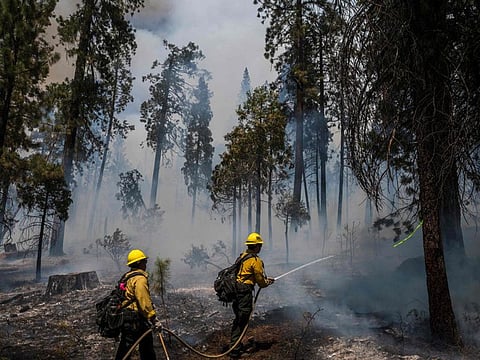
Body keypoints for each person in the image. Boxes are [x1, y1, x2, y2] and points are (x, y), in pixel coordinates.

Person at [229, 232, 274, 359]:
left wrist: (265, 280)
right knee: (242, 321)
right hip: (244, 293)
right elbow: (261, 282)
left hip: (236, 291)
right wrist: (266, 282)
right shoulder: (255, 260)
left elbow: (247, 274)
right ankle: (235, 351)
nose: (261, 248)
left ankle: (235, 346)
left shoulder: (242, 256)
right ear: (256, 246)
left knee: (238, 319)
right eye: (259, 245)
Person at [115, 249, 158, 360]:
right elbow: (143, 301)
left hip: (127, 318)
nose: (146, 264)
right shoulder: (140, 279)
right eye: (144, 262)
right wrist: (153, 319)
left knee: (127, 349)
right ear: (139, 263)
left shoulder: (128, 276)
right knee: (144, 350)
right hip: (136, 319)